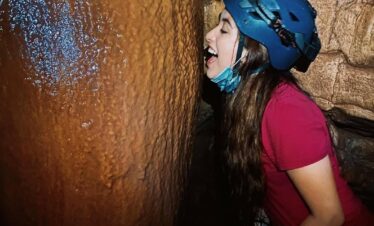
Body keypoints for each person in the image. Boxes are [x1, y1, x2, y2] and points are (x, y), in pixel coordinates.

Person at [203, 0, 374, 225]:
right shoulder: (249, 98)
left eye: (224, 29)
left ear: (255, 50)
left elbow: (330, 217)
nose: (209, 35)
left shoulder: (286, 111)